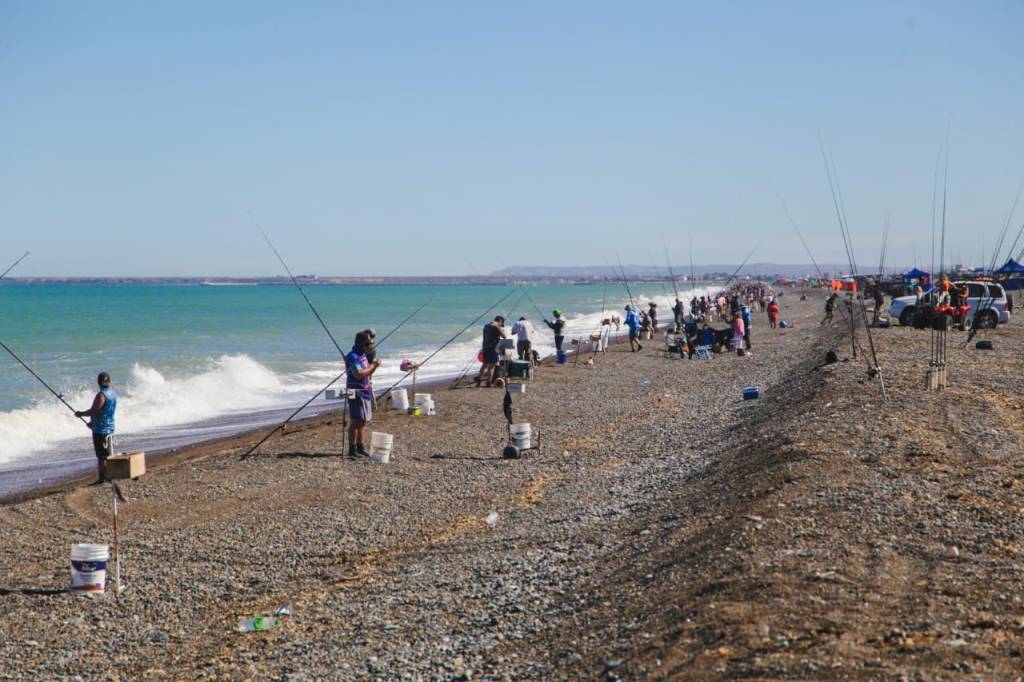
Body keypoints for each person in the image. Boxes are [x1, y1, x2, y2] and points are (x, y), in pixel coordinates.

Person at [75, 371, 118, 484]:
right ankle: (108, 476)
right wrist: (92, 423)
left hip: (101, 429)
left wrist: (81, 414)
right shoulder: (113, 393)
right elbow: (103, 412)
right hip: (110, 427)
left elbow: (95, 411)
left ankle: (102, 478)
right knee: (108, 453)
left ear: (99, 382)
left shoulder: (101, 395)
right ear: (109, 381)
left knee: (101, 456)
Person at [345, 332, 381, 456]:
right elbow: (358, 374)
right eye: (367, 344)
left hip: (365, 391)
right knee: (355, 421)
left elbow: (367, 373)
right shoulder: (353, 356)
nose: (369, 346)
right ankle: (352, 449)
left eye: (371, 344)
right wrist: (374, 365)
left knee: (363, 421)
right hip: (355, 392)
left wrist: (374, 367)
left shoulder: (363, 355)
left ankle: (361, 447)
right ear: (359, 343)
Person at [476, 315, 505, 387]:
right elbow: (504, 336)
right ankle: (488, 383)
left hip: (485, 348)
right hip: (493, 349)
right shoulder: (496, 327)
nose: (501, 325)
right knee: (492, 367)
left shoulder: (486, 326)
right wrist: (502, 330)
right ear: (500, 321)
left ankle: (478, 382)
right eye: (501, 324)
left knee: (484, 365)